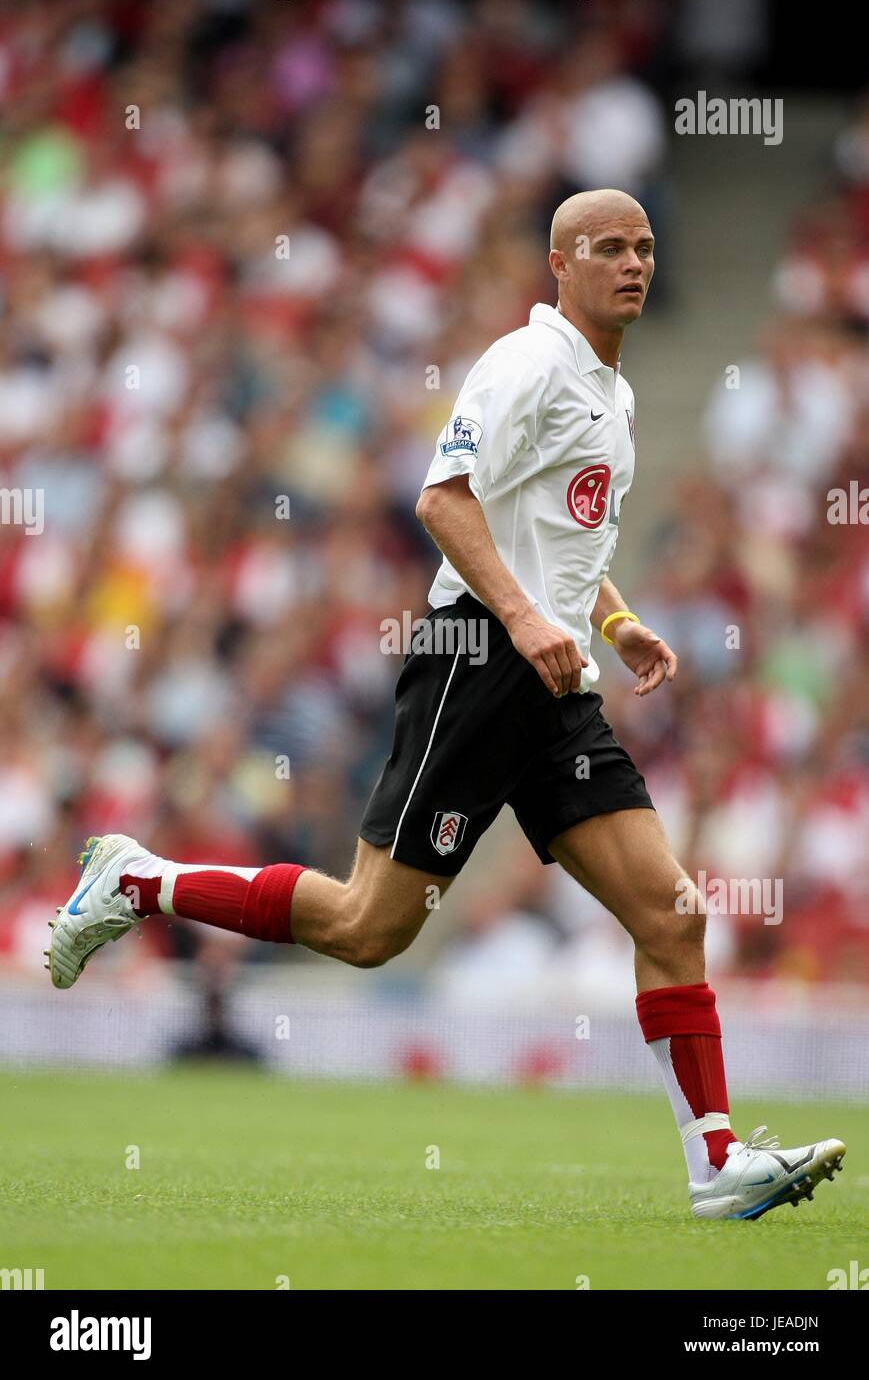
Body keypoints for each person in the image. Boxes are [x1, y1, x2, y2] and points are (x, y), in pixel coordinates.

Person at [47, 189, 845, 1220]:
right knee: (368, 926)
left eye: (644, 246)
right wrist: (522, 619)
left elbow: (552, 531)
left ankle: (715, 1165)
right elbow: (443, 498)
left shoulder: (611, 387)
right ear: (557, 265)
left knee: (670, 912)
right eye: (606, 248)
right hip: (474, 659)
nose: (632, 263)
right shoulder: (523, 364)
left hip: (553, 686)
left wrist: (612, 622)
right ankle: (138, 880)